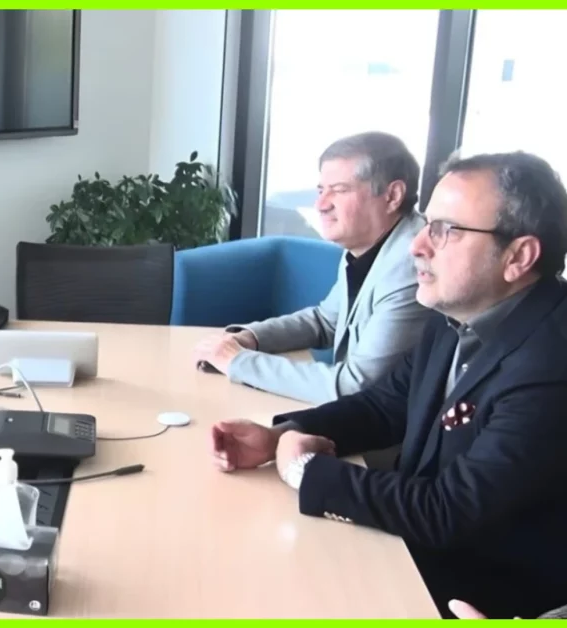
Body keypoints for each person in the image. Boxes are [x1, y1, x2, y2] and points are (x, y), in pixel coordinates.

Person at [208, 151, 567, 619]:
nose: (417, 244)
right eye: (427, 224)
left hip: (482, 594)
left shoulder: (551, 361)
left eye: (445, 230)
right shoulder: (456, 313)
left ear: (518, 256)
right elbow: (385, 406)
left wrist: (306, 471)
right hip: (414, 552)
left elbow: (450, 510)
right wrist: (280, 434)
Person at [193, 132, 434, 404]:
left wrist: (238, 362)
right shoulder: (367, 243)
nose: (320, 205)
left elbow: (355, 386)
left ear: (392, 195)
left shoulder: (412, 265)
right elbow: (325, 321)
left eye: (339, 190)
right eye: (321, 191)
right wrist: (251, 337)